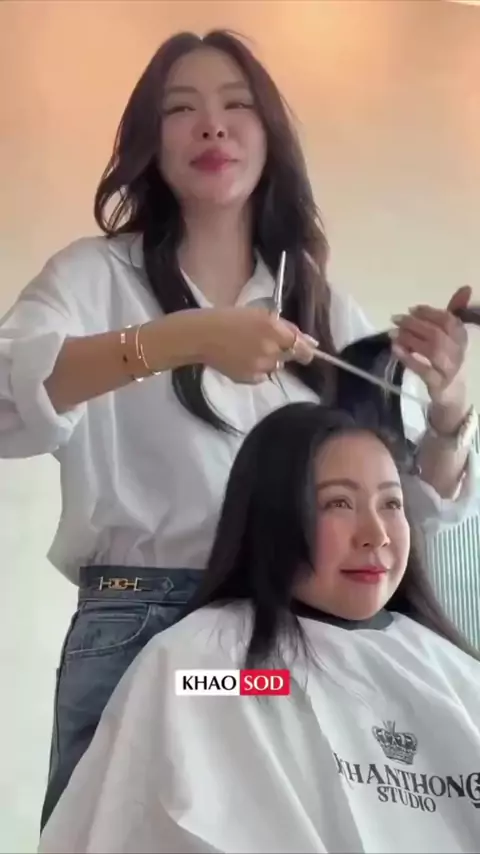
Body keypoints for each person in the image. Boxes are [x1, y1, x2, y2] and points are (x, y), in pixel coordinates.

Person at [0, 29, 478, 828]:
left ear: (270, 135)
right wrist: (180, 339)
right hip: (146, 628)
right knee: (121, 828)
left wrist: (451, 407)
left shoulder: (322, 309)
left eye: (236, 106)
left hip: (283, 644)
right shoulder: (92, 276)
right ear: (151, 143)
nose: (212, 126)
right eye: (180, 110)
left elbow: (408, 511)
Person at [38, 403, 480, 854]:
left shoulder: (451, 672)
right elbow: (223, 685)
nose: (377, 534)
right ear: (273, 516)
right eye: (339, 503)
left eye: (392, 503)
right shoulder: (206, 662)